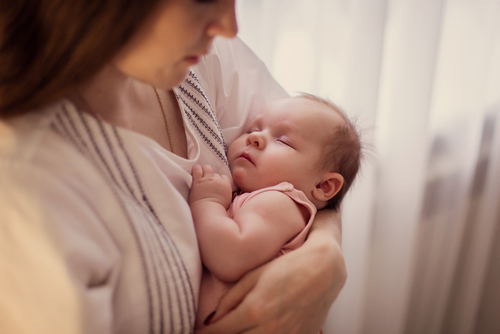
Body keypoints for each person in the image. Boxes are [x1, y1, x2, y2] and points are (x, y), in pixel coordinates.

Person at [0, 1, 347, 333]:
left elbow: (318, 162)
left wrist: (322, 257)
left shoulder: (196, 55)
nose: (229, 27)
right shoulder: (27, 184)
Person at [190, 94, 362, 328]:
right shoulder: (257, 198)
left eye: (283, 141)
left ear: (323, 186)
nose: (255, 137)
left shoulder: (281, 201)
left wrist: (207, 202)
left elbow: (231, 256)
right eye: (253, 128)